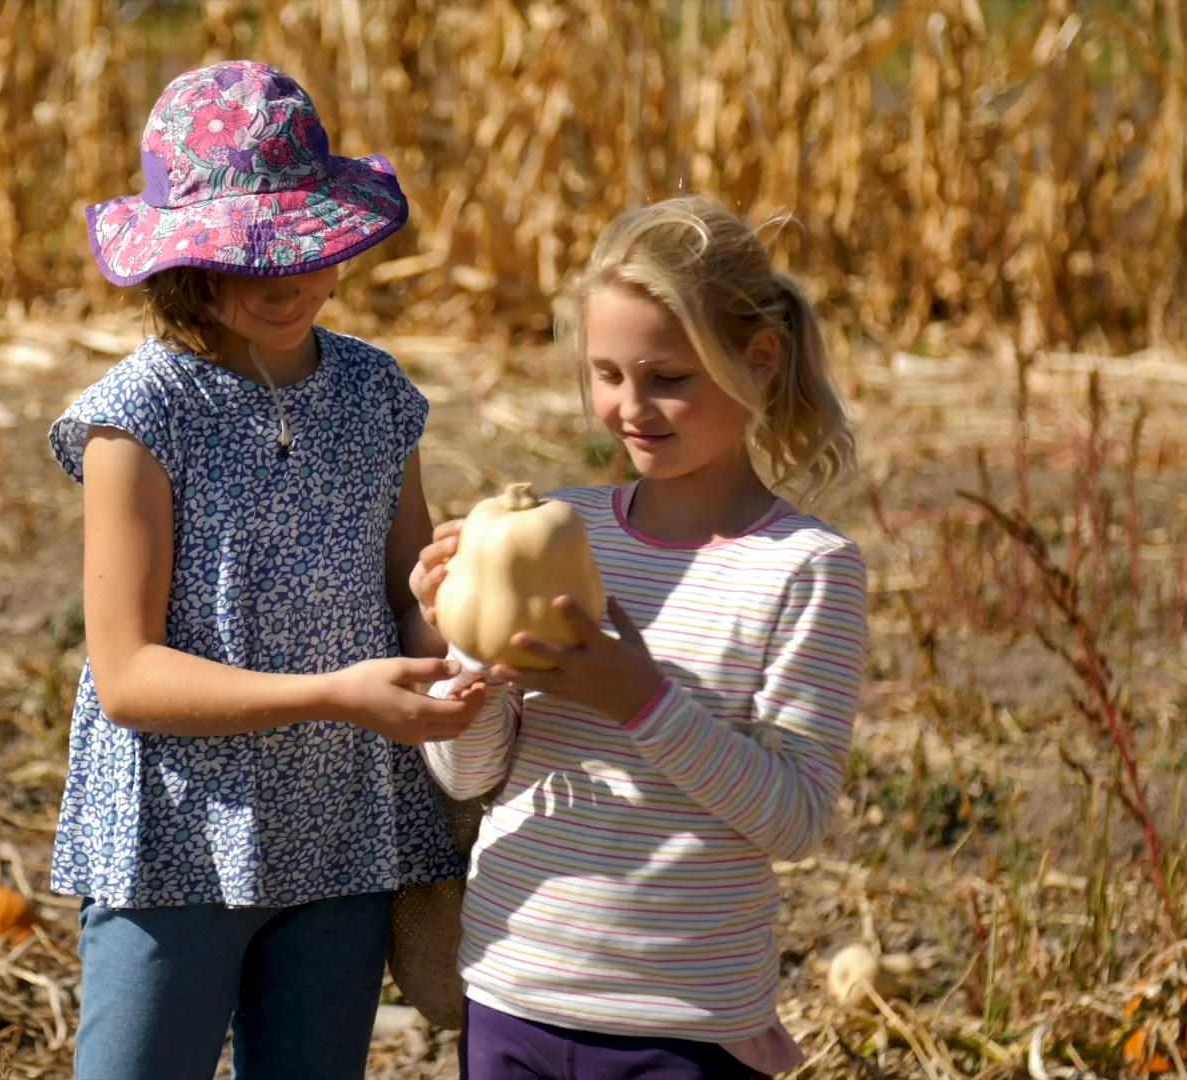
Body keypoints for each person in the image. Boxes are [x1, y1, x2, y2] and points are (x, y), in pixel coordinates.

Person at [47, 60, 486, 1080]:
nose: (284, 281)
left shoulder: (376, 396)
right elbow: (130, 676)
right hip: (174, 848)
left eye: (301, 248)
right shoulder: (141, 416)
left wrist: (448, 628)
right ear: (181, 266)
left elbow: (404, 609)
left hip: (340, 841)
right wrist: (338, 695)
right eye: (246, 259)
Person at [410, 195, 869, 1080]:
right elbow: (470, 775)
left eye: (668, 377)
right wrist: (464, 659)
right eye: (606, 373)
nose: (630, 407)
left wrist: (640, 699)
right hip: (514, 984)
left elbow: (795, 819)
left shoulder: (806, 568)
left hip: (684, 1020)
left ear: (759, 362)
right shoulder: (556, 529)